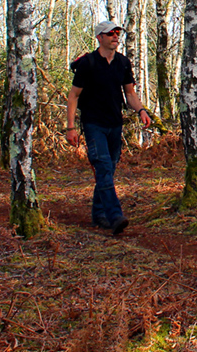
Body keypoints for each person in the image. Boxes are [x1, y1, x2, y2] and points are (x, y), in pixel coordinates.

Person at [65, 20, 152, 235]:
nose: (115, 36)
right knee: (103, 167)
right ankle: (114, 216)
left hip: (115, 124)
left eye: (117, 33)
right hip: (93, 124)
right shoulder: (87, 63)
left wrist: (141, 110)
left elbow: (129, 94)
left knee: (108, 171)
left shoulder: (123, 63)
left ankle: (98, 215)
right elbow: (73, 96)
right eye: (110, 33)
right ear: (99, 38)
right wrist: (70, 127)